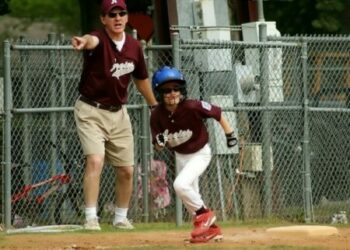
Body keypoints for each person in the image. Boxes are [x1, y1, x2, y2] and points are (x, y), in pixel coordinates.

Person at [71, 0, 158, 231]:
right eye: (112, 14)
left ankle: (120, 218)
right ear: (103, 20)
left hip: (118, 113)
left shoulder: (134, 47)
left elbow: (141, 79)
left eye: (121, 13)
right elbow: (92, 40)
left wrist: (154, 107)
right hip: (90, 110)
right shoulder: (98, 39)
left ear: (127, 17)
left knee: (127, 170)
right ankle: (91, 217)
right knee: (95, 160)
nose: (117, 18)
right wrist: (83, 41)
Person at [150, 66, 238, 243]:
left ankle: (206, 217)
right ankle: (213, 230)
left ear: (182, 90)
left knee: (180, 185)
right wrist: (159, 142)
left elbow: (217, 113)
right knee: (191, 196)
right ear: (159, 94)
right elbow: (159, 146)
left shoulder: (191, 106)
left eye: (176, 89)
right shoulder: (157, 115)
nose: (172, 93)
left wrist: (230, 135)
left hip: (200, 153)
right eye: (166, 90)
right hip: (181, 156)